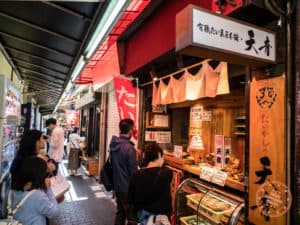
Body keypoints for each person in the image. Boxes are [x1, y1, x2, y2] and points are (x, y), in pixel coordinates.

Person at [128, 143, 173, 225]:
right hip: (162, 220)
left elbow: (130, 200)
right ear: (159, 155)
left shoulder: (135, 175)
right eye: (162, 157)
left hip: (142, 218)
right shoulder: (166, 173)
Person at [11, 156, 60, 225]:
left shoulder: (12, 188)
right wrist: (48, 189)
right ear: (38, 175)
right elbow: (55, 212)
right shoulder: (37, 196)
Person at [110, 118, 138, 225]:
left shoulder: (114, 144)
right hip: (127, 188)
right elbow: (133, 173)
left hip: (117, 186)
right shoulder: (129, 148)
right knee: (132, 218)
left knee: (121, 214)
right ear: (130, 130)